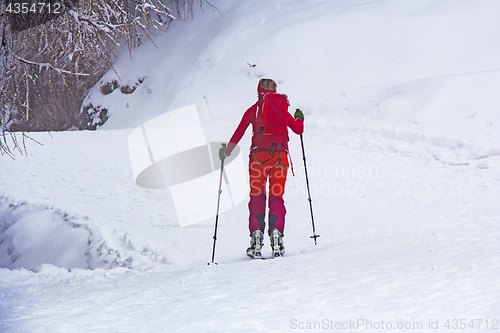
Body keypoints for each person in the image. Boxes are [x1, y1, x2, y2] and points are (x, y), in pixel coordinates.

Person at [219, 78, 304, 258]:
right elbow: (298, 130)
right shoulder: (282, 110)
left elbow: (239, 132)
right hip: (280, 158)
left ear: (258, 90)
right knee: (276, 197)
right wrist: (299, 118)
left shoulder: (253, 110)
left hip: (258, 158)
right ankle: (277, 236)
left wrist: (226, 152)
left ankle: (256, 238)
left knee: (257, 196)